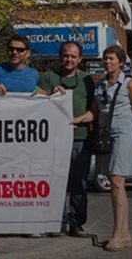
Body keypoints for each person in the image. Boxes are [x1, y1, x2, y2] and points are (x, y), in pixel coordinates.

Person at [71, 45, 132, 251]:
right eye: (106, 58)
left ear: (121, 62)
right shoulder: (101, 84)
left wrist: (129, 128)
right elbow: (94, 113)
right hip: (106, 136)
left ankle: (118, 234)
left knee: (116, 181)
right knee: (115, 184)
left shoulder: (128, 83)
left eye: (112, 58)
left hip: (123, 134)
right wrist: (76, 119)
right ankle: (124, 234)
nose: (108, 62)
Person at [37, 41, 96, 237]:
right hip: (53, 139)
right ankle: (58, 221)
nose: (68, 59)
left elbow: (93, 111)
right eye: (65, 55)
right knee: (55, 182)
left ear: (79, 59)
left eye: (73, 56)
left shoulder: (87, 80)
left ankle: (76, 222)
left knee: (79, 183)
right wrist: (48, 93)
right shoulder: (47, 77)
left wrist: (81, 119)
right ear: (59, 56)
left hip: (80, 138)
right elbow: (36, 98)